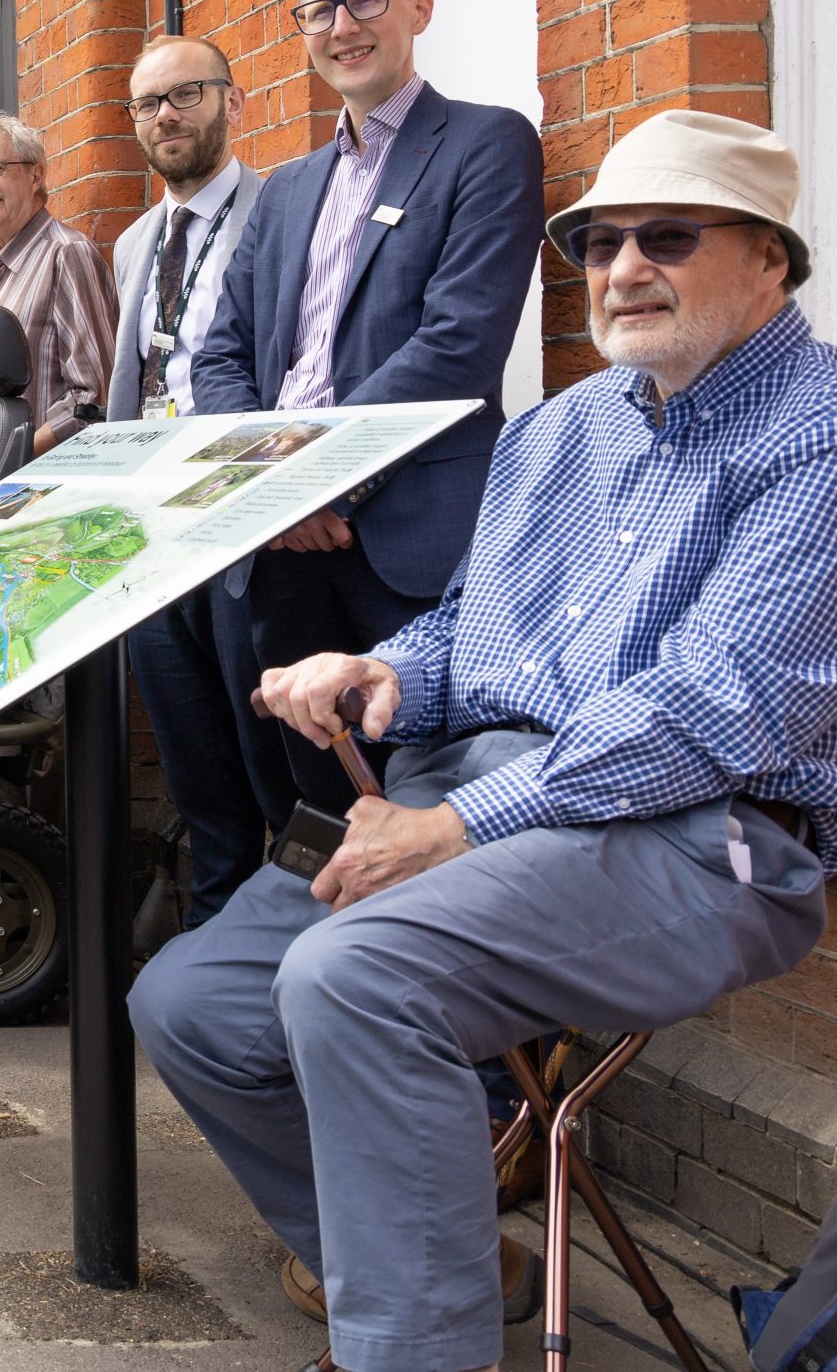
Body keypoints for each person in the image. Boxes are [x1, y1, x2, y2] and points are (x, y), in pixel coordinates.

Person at [135, 109, 831, 1372]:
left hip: (694, 836)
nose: (623, 269)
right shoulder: (565, 424)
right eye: (598, 243)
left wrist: (455, 825)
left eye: (667, 237)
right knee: (188, 1003)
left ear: (768, 257)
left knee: (353, 978)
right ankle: (435, 1268)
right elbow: (470, 623)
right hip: (471, 792)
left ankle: (413, 1342)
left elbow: (714, 710)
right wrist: (384, 668)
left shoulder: (818, 434)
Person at [190, 0, 542, 821]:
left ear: (418, 9)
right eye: (319, 11)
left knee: (428, 798)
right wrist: (274, 495)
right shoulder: (286, 189)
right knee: (313, 803)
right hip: (282, 545)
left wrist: (315, 483)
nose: (342, 26)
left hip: (408, 541)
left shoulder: (487, 143)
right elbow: (222, 355)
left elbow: (458, 346)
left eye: (365, 0)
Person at [104, 34, 292, 927]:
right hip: (155, 536)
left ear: (232, 100)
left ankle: (289, 959)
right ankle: (218, 961)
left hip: (243, 529)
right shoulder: (133, 243)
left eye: (186, 95)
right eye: (149, 104)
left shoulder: (283, 212)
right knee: (198, 778)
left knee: (275, 770)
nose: (167, 116)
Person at [0, 109, 118, 454]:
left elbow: (95, 396)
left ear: (35, 175)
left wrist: (12, 456)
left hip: (40, 480)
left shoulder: (65, 254)